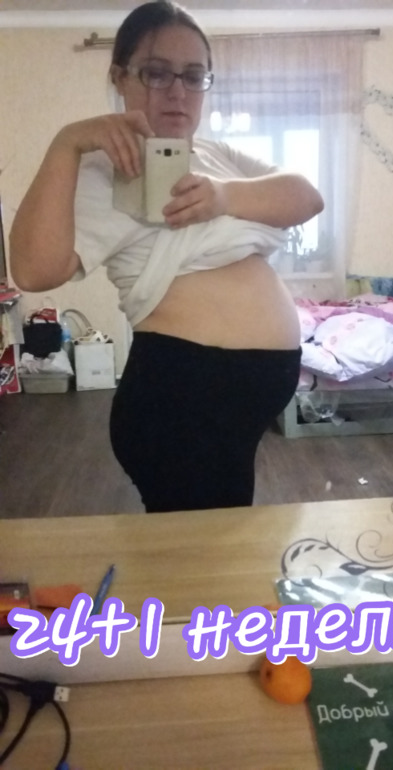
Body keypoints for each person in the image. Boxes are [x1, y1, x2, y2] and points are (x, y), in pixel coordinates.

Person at [10, 0, 324, 513]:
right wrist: (66, 144)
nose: (178, 91)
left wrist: (222, 196)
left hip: (228, 409)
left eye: (193, 76)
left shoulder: (216, 156)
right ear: (120, 76)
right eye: (157, 73)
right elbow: (33, 270)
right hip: (183, 401)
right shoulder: (99, 172)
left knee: (212, 544)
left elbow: (306, 197)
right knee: (202, 551)